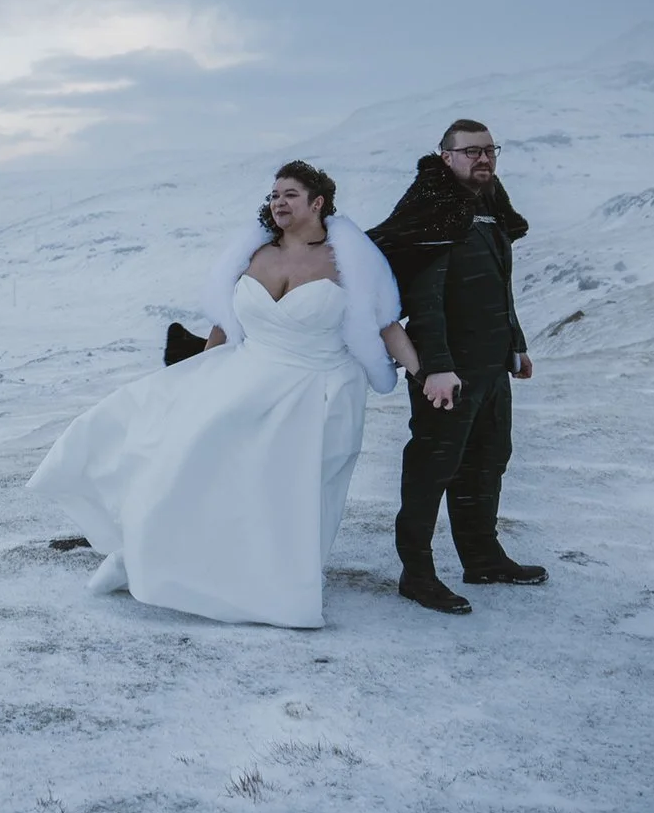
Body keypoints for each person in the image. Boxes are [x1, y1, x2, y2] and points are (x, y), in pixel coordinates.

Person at [27, 161, 423, 628]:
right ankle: (152, 556)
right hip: (245, 376)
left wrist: (425, 373)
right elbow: (224, 322)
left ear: (318, 203)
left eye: (291, 194)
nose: (279, 202)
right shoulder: (252, 253)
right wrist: (197, 377)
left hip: (315, 391)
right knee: (189, 464)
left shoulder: (349, 260)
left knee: (283, 497)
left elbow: (385, 325)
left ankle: (270, 586)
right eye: (275, 194)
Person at [367, 119, 544, 616]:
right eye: (471, 152)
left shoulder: (488, 204)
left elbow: (498, 282)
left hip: (491, 363)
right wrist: (436, 368)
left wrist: (516, 345)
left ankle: (483, 557)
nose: (483, 159)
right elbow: (424, 298)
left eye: (490, 150)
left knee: (488, 460)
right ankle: (417, 573)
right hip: (448, 369)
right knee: (433, 466)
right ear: (446, 157)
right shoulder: (435, 208)